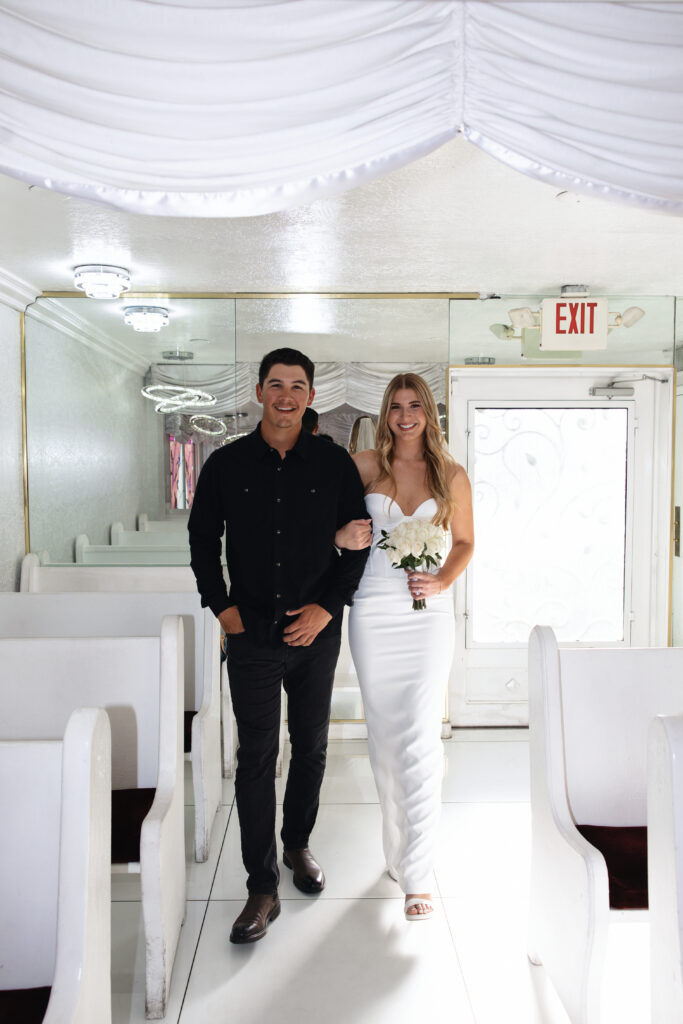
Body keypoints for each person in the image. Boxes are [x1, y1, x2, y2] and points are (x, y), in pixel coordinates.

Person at [188, 347, 370, 944]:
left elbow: (360, 542)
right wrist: (224, 610)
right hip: (253, 636)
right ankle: (260, 887)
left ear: (311, 396)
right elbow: (201, 540)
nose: (286, 396)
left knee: (312, 746)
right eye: (275, 385)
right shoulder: (226, 463)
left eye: (297, 386)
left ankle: (297, 847)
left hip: (317, 633)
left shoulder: (335, 463)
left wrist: (327, 608)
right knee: (257, 757)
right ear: (258, 392)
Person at [336, 372, 474, 920]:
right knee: (386, 740)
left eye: (416, 405)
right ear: (385, 412)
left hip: (429, 616)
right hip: (373, 609)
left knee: (419, 736)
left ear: (430, 413)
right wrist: (338, 537)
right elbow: (322, 522)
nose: (406, 415)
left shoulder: (451, 473)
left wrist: (441, 581)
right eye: (396, 406)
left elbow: (464, 543)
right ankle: (396, 851)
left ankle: (418, 872)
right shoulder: (364, 466)